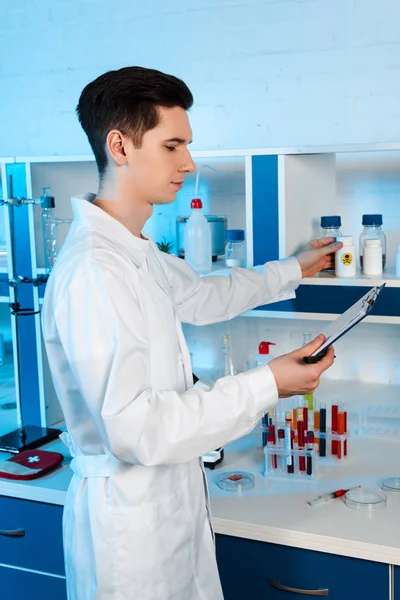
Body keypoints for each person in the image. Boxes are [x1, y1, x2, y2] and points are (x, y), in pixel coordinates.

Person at [41, 66, 340, 600]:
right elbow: (134, 429)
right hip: (129, 539)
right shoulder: (94, 271)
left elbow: (203, 295)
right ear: (120, 146)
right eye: (173, 145)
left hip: (167, 513)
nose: (189, 163)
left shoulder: (133, 250)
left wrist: (294, 270)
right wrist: (267, 383)